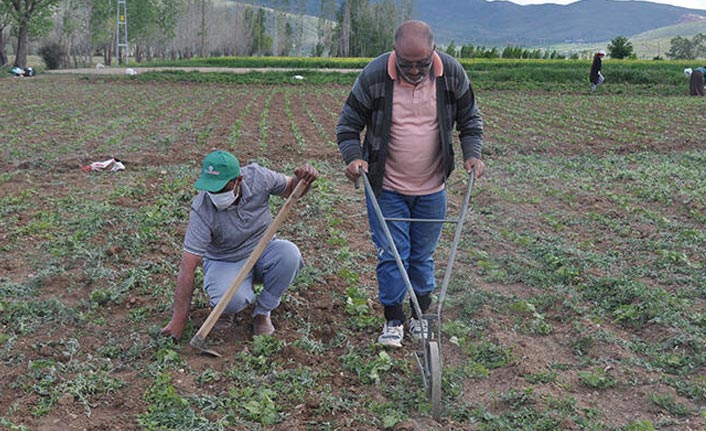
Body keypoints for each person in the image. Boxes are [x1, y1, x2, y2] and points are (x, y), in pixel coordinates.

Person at [336, 20, 485, 348]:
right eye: (407, 64)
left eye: (422, 63)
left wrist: (471, 154)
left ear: (433, 52)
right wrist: (353, 158)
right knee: (392, 256)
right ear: (395, 54)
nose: (415, 70)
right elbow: (348, 125)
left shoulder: (451, 73)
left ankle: (420, 317)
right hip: (387, 187)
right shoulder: (375, 75)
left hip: (432, 187)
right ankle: (393, 320)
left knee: (422, 256)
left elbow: (470, 118)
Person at [161, 150, 318, 340]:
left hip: (263, 249)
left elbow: (291, 188)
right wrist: (179, 319)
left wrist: (303, 180)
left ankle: (263, 312)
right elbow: (188, 267)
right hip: (225, 260)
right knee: (230, 301)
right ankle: (225, 309)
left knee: (289, 255)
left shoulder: (258, 177)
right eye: (212, 189)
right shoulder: (202, 209)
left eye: (222, 188)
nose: (216, 194)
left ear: (239, 180)